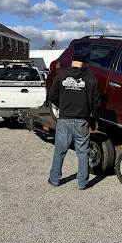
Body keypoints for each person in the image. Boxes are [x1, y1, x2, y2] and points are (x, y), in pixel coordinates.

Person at [47, 53, 101, 190]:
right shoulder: (91, 78)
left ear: (72, 62)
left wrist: (61, 105)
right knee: (83, 153)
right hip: (82, 121)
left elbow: (51, 95)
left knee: (60, 151)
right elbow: (96, 102)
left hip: (64, 120)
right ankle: (82, 183)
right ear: (84, 63)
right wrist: (94, 119)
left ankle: (54, 179)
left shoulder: (61, 76)